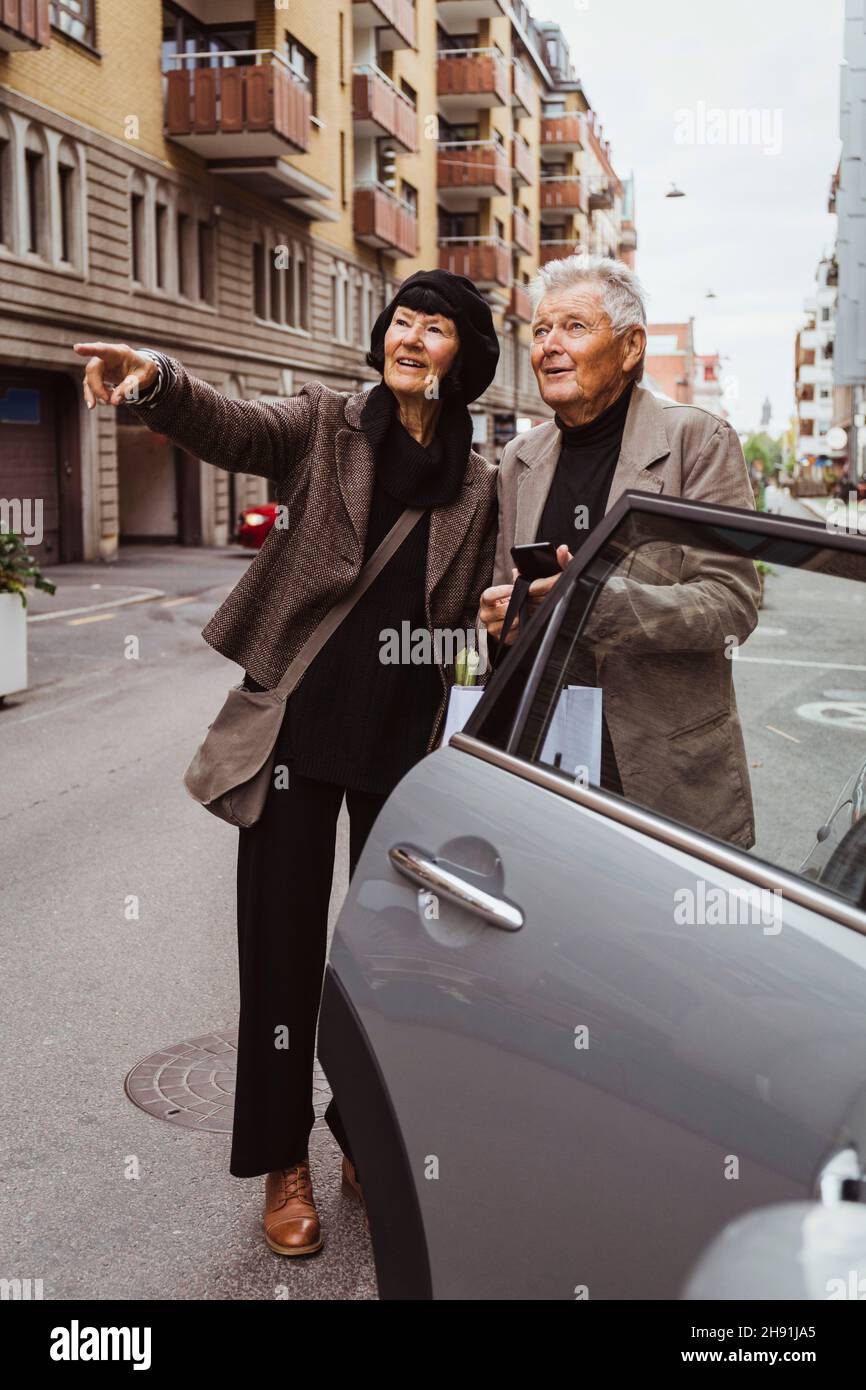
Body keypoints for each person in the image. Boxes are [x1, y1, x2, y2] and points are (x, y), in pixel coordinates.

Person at [74, 268, 500, 1256]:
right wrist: (156, 382)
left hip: (401, 755)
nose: (410, 337)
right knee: (280, 964)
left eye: (435, 329)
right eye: (401, 320)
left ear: (464, 361)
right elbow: (232, 426)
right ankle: (282, 1161)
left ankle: (360, 1133)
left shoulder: (482, 485)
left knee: (388, 965)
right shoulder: (324, 427)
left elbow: (490, 618)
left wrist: (498, 616)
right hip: (293, 745)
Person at [478, 254, 760, 850]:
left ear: (631, 347)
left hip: (657, 768)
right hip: (542, 753)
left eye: (575, 327)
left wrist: (594, 604)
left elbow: (732, 603)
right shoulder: (520, 458)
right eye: (541, 330)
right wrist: (506, 621)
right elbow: (516, 593)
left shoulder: (697, 441)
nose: (550, 345)